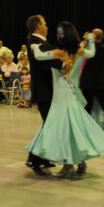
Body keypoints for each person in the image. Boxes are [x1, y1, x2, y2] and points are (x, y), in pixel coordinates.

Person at [25, 22, 104, 178]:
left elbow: (39, 56)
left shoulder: (60, 52)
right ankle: (79, 162)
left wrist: (34, 47)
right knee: (73, 124)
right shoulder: (78, 50)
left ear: (62, 36)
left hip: (61, 92)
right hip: (71, 90)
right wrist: (91, 40)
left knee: (63, 126)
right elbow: (91, 52)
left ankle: (68, 165)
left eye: (59, 33)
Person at [24, 14, 65, 176]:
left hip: (47, 89)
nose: (47, 26)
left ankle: (41, 157)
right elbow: (47, 60)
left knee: (48, 124)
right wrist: (63, 64)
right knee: (49, 124)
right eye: (45, 23)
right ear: (38, 27)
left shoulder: (41, 41)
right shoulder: (34, 41)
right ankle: (34, 159)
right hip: (43, 90)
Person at [79, 29, 104, 143]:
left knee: (87, 109)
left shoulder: (86, 49)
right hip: (102, 84)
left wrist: (85, 40)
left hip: (87, 83)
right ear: (102, 38)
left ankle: (83, 132)